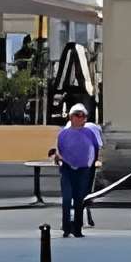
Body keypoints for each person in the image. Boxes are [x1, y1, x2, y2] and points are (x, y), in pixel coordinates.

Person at [52, 102, 102, 239]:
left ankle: (78, 228)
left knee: (79, 199)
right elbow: (59, 150)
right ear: (70, 117)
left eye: (83, 115)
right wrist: (62, 159)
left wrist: (90, 165)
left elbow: (95, 149)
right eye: (77, 115)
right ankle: (66, 227)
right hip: (67, 169)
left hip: (84, 170)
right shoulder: (63, 134)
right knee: (67, 198)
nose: (80, 118)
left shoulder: (89, 133)